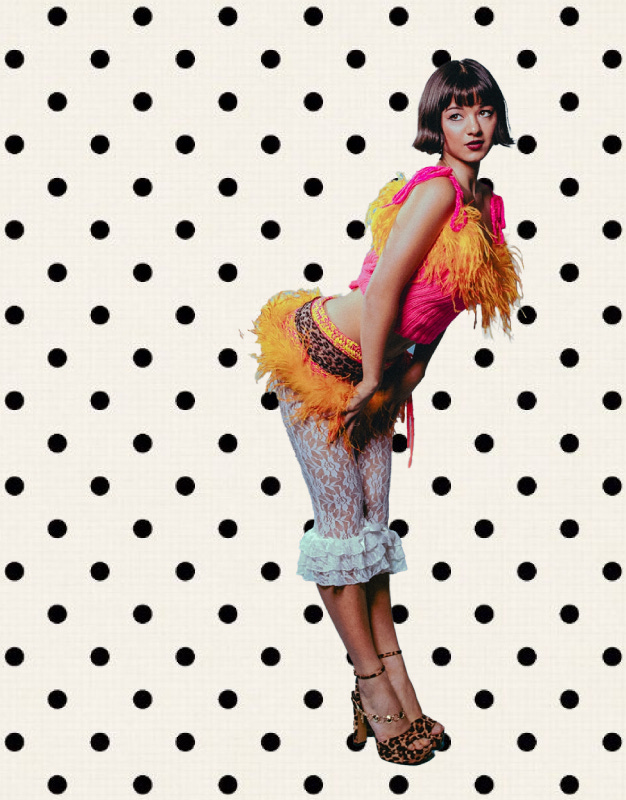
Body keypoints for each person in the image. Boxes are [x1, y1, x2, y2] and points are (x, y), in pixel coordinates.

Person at [247, 58, 524, 765]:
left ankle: (397, 679)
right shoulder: (434, 194)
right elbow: (382, 296)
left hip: (381, 372)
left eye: (484, 111)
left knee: (372, 532)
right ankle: (374, 689)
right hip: (323, 359)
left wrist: (409, 376)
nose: (473, 126)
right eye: (456, 114)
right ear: (436, 125)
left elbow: (442, 306)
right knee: (342, 535)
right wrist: (374, 378)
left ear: (498, 118)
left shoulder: (485, 203)